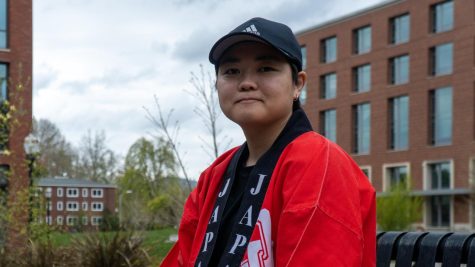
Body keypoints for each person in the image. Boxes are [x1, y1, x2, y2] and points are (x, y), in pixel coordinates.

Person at [161, 17, 376, 267]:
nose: (246, 83)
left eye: (265, 69)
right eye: (231, 71)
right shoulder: (214, 177)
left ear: (298, 85)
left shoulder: (321, 164)